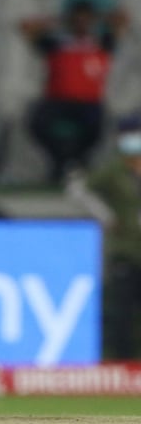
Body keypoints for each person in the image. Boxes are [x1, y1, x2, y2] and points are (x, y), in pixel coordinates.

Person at [20, 0, 129, 183]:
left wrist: (97, 17)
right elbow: (26, 27)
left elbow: (122, 20)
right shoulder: (58, 43)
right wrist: (60, 20)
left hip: (89, 102)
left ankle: (79, 162)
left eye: (85, 19)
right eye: (78, 19)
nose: (81, 23)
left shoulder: (101, 42)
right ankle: (60, 161)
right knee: (37, 123)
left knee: (97, 129)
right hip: (57, 101)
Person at [77, 113, 141, 358]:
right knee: (123, 312)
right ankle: (123, 363)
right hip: (125, 249)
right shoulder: (114, 170)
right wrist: (104, 215)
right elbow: (79, 190)